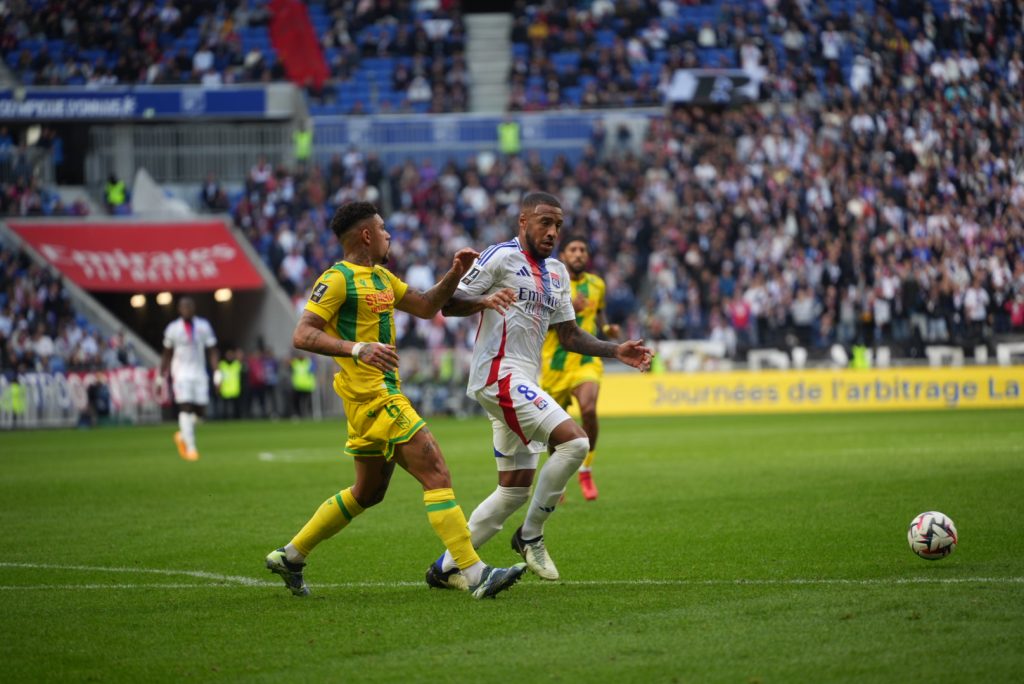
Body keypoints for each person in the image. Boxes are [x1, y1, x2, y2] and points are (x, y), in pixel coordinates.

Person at [264, 201, 526, 600]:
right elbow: (302, 334)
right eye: (383, 228)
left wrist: (456, 274)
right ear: (366, 235)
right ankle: (474, 573)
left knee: (367, 492)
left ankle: (292, 555)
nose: (389, 235)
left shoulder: (382, 277)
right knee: (435, 469)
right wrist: (357, 349)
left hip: (374, 398)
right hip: (374, 395)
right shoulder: (336, 280)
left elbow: (424, 306)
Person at [426, 192, 652, 588]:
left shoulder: (558, 274)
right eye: (544, 222)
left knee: (513, 490)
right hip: (498, 374)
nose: (552, 232)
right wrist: (483, 300)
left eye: (558, 226)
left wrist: (615, 350)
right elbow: (449, 303)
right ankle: (530, 535)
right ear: (523, 221)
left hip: (524, 379)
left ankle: (444, 568)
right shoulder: (500, 256)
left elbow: (568, 335)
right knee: (576, 443)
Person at [539, 235, 620, 501]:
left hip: (586, 360)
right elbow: (539, 322)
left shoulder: (597, 284)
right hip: (556, 363)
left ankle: (586, 468)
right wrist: (569, 309)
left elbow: (599, 315)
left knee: (588, 408)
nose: (578, 254)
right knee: (554, 427)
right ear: (564, 256)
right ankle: (558, 477)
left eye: (582, 250)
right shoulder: (550, 284)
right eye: (572, 249)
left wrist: (608, 329)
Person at [159, 297, 218, 461]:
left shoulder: (203, 326)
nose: (186, 310)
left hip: (199, 373)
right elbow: (166, 354)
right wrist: (160, 377)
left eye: (189, 307)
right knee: (185, 407)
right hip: (181, 373)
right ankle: (191, 448)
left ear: (194, 308)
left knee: (201, 412)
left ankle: (182, 434)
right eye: (183, 307)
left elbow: (212, 350)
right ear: (179, 310)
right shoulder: (173, 328)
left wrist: (217, 374)